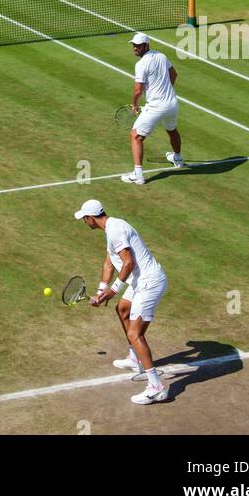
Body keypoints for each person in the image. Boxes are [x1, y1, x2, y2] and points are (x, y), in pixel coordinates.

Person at [76, 199, 170, 404]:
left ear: (90, 218)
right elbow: (109, 263)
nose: (84, 222)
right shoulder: (112, 228)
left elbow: (129, 262)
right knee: (123, 309)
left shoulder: (115, 231)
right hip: (139, 281)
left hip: (149, 282)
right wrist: (101, 291)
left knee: (134, 333)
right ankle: (135, 358)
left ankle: (156, 387)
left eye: (84, 218)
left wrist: (113, 290)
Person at [121, 33, 183, 185]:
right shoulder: (161, 56)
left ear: (146, 45)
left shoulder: (141, 64)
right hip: (172, 104)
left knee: (136, 136)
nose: (135, 48)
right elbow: (174, 74)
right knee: (172, 129)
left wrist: (135, 105)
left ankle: (138, 175)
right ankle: (177, 158)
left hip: (157, 107)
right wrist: (165, 92)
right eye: (134, 45)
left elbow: (138, 90)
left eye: (138, 45)